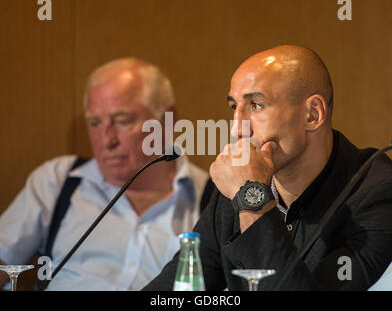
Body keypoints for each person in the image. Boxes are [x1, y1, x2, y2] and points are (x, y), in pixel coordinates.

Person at [143, 45, 392, 291]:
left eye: (255, 105)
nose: (237, 129)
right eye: (234, 108)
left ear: (312, 114)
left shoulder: (377, 191)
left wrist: (250, 197)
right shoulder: (233, 189)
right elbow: (174, 291)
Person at [0, 58, 209, 290]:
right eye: (95, 123)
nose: (106, 140)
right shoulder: (58, 180)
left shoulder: (211, 198)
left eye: (122, 121)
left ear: (167, 119)